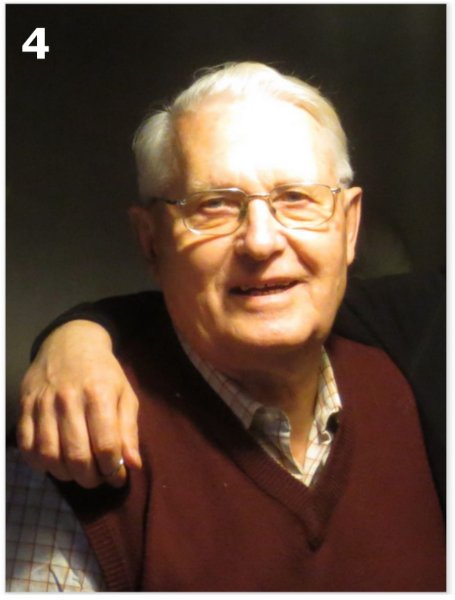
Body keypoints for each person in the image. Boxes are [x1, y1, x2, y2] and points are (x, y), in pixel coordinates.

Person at [7, 62, 445, 592]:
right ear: (152, 242)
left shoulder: (409, 376)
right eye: (213, 205)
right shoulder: (75, 443)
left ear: (349, 227)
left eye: (296, 199)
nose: (261, 242)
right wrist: (77, 336)